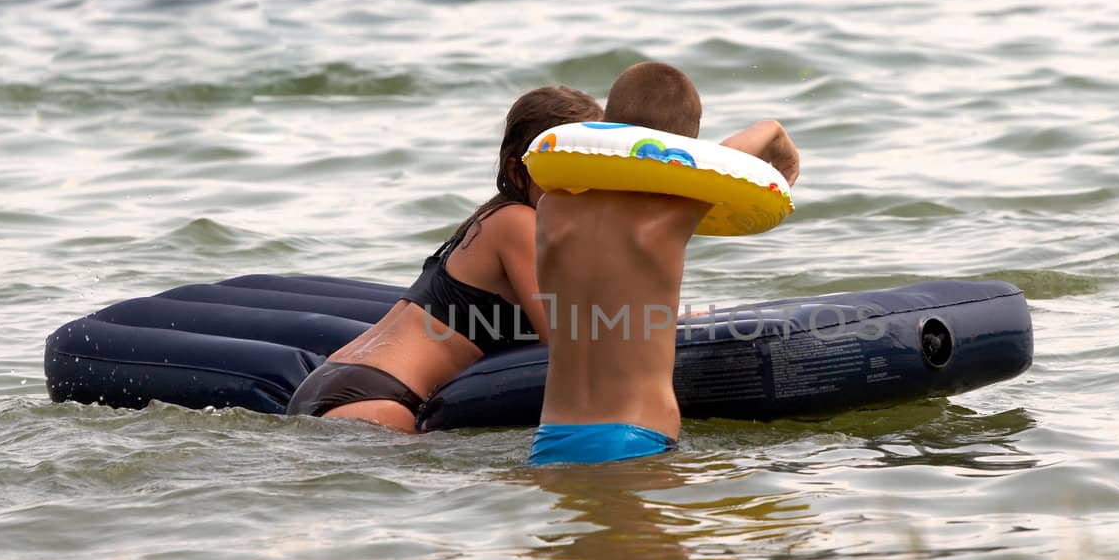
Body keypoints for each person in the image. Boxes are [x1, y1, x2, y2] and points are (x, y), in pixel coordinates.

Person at [286, 86, 602, 431]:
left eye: (593, 171)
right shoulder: (519, 223)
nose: (581, 188)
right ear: (516, 172)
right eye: (565, 172)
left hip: (339, 380)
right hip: (378, 400)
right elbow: (562, 341)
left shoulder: (495, 219)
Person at [530, 62, 799, 465]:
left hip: (550, 439)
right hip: (635, 437)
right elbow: (723, 162)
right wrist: (774, 130)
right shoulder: (667, 217)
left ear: (609, 125)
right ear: (686, 147)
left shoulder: (551, 210)